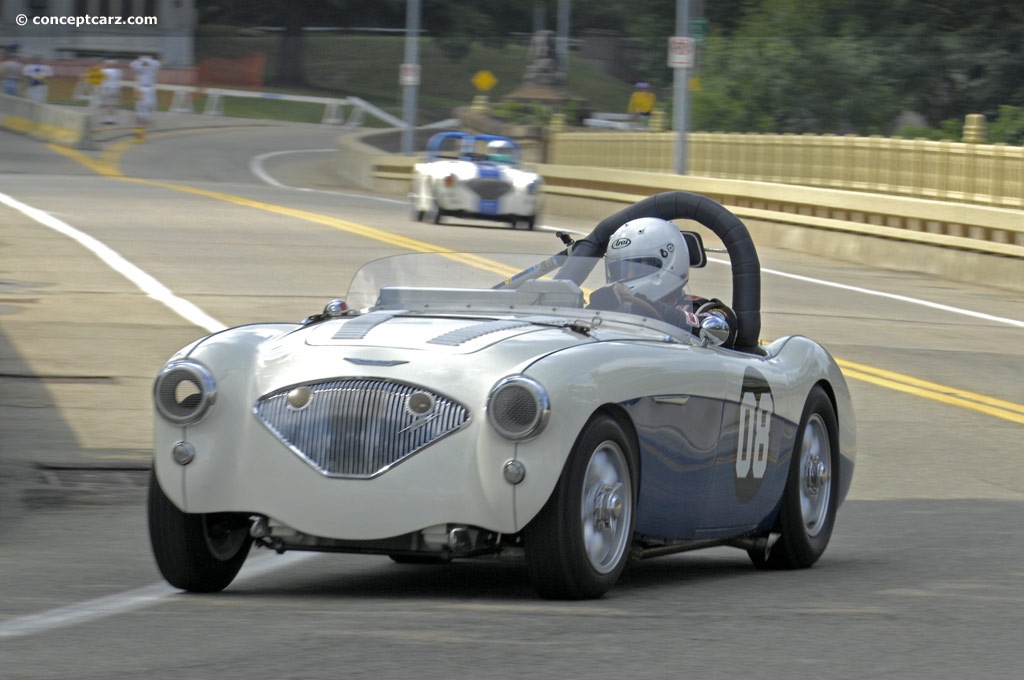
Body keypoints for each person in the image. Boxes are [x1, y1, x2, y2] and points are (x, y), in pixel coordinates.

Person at [588, 217, 738, 347]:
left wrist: (645, 307)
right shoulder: (617, 304)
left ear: (670, 263)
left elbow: (721, 332)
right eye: (619, 271)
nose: (626, 278)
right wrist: (593, 309)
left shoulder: (704, 309)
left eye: (638, 269)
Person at [129, 54, 161, 127]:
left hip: (150, 87)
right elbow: (131, 65)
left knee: (149, 103)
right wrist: (141, 60)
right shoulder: (138, 65)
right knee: (139, 103)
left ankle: (146, 118)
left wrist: (148, 60)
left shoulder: (153, 65)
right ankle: (141, 118)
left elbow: (158, 64)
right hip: (140, 87)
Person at [98, 59, 123, 124]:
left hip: (106, 88)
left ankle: (106, 119)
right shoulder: (119, 71)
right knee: (112, 104)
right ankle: (111, 119)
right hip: (115, 88)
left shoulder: (103, 71)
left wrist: (103, 64)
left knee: (105, 104)